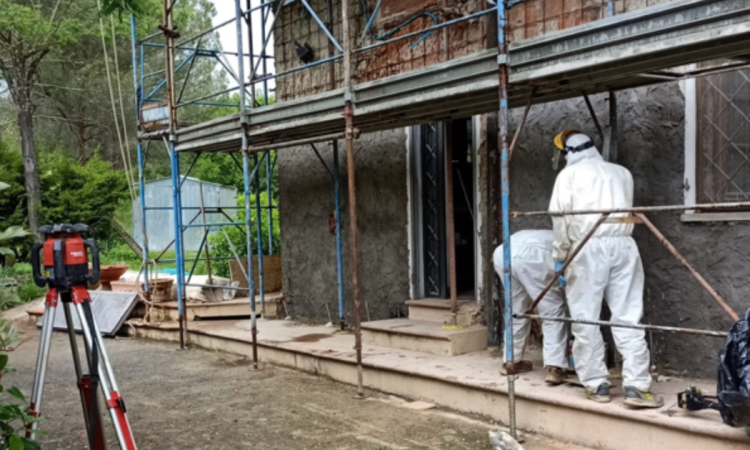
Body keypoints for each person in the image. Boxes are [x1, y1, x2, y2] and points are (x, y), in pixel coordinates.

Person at [548, 130, 663, 408]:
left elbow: (561, 220)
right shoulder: (622, 172)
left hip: (587, 246)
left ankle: (596, 383)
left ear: (568, 153)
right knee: (628, 315)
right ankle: (637, 386)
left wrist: (561, 257)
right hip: (624, 245)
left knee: (585, 317)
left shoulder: (568, 176)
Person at [493, 230, 569, 385]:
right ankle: (554, 368)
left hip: (503, 252)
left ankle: (511, 361)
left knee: (516, 310)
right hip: (535, 255)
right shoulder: (573, 242)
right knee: (552, 310)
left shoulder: (549, 234)